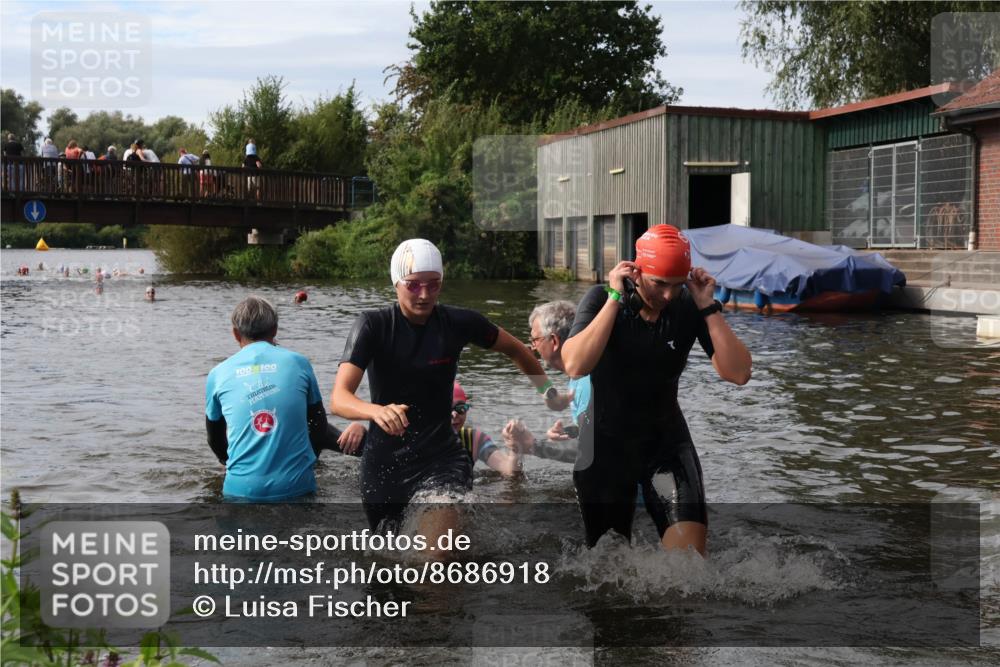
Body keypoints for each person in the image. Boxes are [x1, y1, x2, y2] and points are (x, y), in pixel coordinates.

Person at [331, 238, 568, 536]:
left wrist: (550, 395)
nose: (425, 294)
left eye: (434, 284)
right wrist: (375, 411)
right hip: (385, 466)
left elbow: (519, 350)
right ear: (396, 282)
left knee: (439, 558)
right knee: (388, 563)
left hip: (441, 458)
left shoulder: (458, 322)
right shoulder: (373, 325)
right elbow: (339, 398)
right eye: (414, 285)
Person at [560, 224, 752, 554]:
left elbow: (739, 373)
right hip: (606, 450)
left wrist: (708, 307)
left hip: (665, 445)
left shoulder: (689, 307)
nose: (667, 295)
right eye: (659, 284)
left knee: (689, 568)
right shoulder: (601, 299)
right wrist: (614, 300)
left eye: (677, 286)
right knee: (608, 567)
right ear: (636, 272)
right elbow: (575, 364)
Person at [205, 296, 365, 501]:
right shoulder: (299, 363)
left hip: (239, 491)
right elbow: (318, 426)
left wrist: (230, 463)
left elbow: (215, 439)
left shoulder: (217, 374)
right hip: (295, 488)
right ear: (274, 330)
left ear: (235, 334)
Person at [502, 300, 588, 464]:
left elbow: (595, 449)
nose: (533, 348)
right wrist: (571, 432)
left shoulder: (585, 381)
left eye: (535, 340)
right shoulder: (580, 375)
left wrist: (533, 446)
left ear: (554, 341)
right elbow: (603, 431)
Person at [452, 382, 522, 477]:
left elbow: (509, 471)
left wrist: (515, 448)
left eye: (460, 408)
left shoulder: (473, 439)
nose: (454, 414)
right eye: (446, 408)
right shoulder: (424, 440)